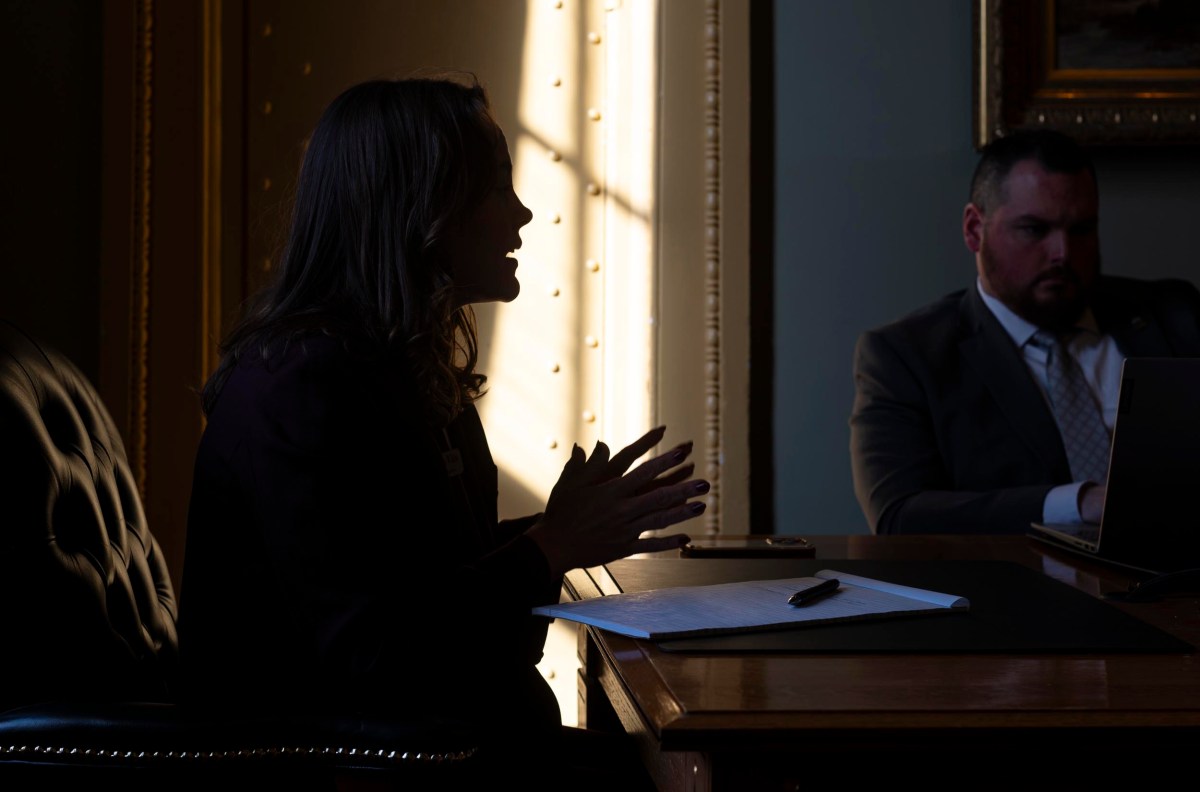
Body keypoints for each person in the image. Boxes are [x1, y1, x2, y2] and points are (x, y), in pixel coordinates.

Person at [175, 74, 708, 788]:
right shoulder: (299, 388)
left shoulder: (398, 366)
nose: (521, 215)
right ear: (420, 209)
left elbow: (418, 572)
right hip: (358, 765)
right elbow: (376, 658)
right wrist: (550, 546)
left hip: (450, 744)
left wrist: (564, 531)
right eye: (496, 188)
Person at [850, 128, 1200, 535]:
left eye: (1082, 230)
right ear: (973, 230)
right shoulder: (906, 357)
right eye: (1034, 229)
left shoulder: (1175, 315)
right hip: (1014, 592)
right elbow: (898, 516)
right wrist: (1079, 503)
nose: (1062, 253)